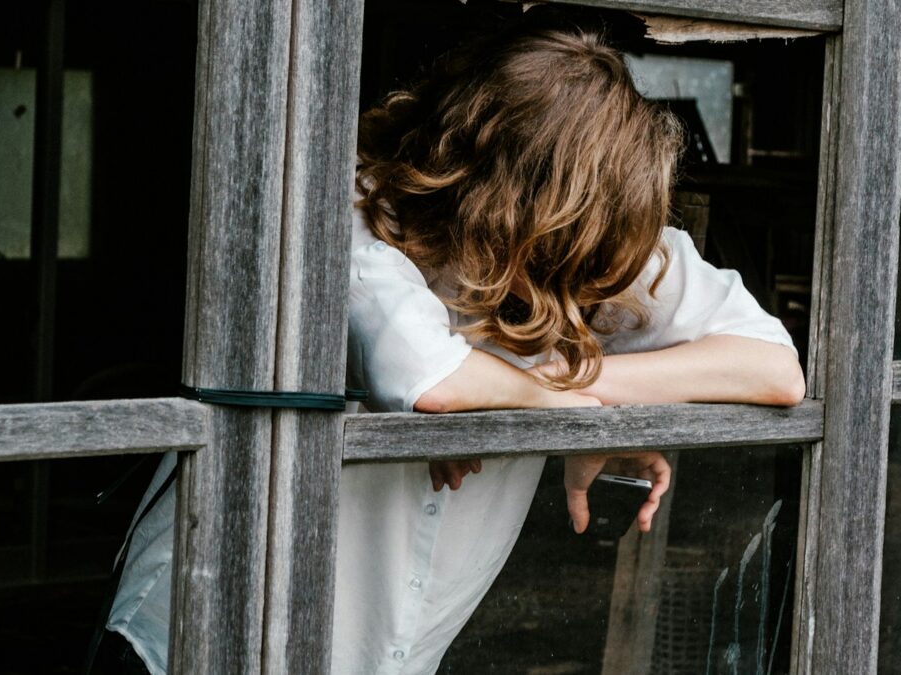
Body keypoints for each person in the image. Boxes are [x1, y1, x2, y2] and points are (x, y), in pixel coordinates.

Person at [101, 17, 805, 675]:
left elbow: (775, 369)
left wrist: (589, 406)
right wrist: (572, 410)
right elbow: (433, 382)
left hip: (396, 644)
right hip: (205, 627)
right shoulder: (354, 206)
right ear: (511, 196)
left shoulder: (606, 234)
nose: (579, 269)